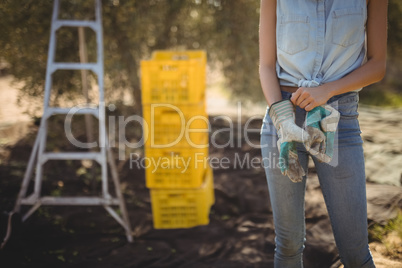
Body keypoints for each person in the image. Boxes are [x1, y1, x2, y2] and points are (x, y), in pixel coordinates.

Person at [259, 0, 387, 267]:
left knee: (355, 254)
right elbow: (266, 66)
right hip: (283, 116)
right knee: (288, 246)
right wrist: (282, 120)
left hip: (339, 120)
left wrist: (327, 91)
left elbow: (378, 65)